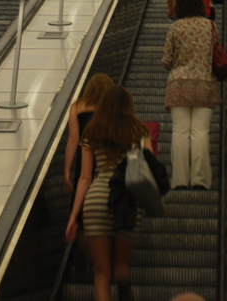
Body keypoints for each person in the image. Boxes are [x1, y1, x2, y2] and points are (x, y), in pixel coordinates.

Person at [66, 86, 152, 301]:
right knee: (122, 267)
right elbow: (150, 165)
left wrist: (74, 216)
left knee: (101, 274)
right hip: (127, 198)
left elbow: (85, 178)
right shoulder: (140, 131)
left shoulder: (92, 132)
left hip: (97, 199)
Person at [163, 0, 220, 189]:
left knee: (180, 132)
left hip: (179, 85)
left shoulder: (175, 28)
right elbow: (214, 53)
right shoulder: (209, 26)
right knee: (200, 132)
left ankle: (179, 180)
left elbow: (167, 60)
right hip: (204, 83)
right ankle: (200, 180)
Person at [64, 73, 116, 195]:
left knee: (83, 190)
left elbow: (73, 139)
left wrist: (67, 170)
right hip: (106, 159)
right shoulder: (111, 107)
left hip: (83, 158)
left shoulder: (76, 107)